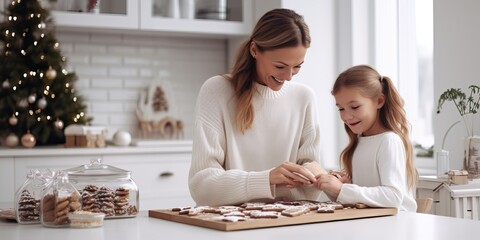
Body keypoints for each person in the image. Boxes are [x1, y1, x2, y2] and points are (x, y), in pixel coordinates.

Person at [188, 8, 324, 206]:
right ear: (254, 50)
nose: (288, 76)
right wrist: (267, 179)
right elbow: (202, 187)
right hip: (230, 229)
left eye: (297, 66)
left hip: (288, 225)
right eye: (280, 66)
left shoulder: (304, 97)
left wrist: (316, 176)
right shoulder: (217, 90)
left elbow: (309, 194)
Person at [314, 65, 418, 212]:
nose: (346, 116)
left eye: (355, 107)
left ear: (379, 101)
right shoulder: (359, 142)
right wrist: (334, 186)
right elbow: (365, 197)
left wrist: (343, 189)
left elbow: (393, 197)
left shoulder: (388, 141)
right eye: (341, 109)